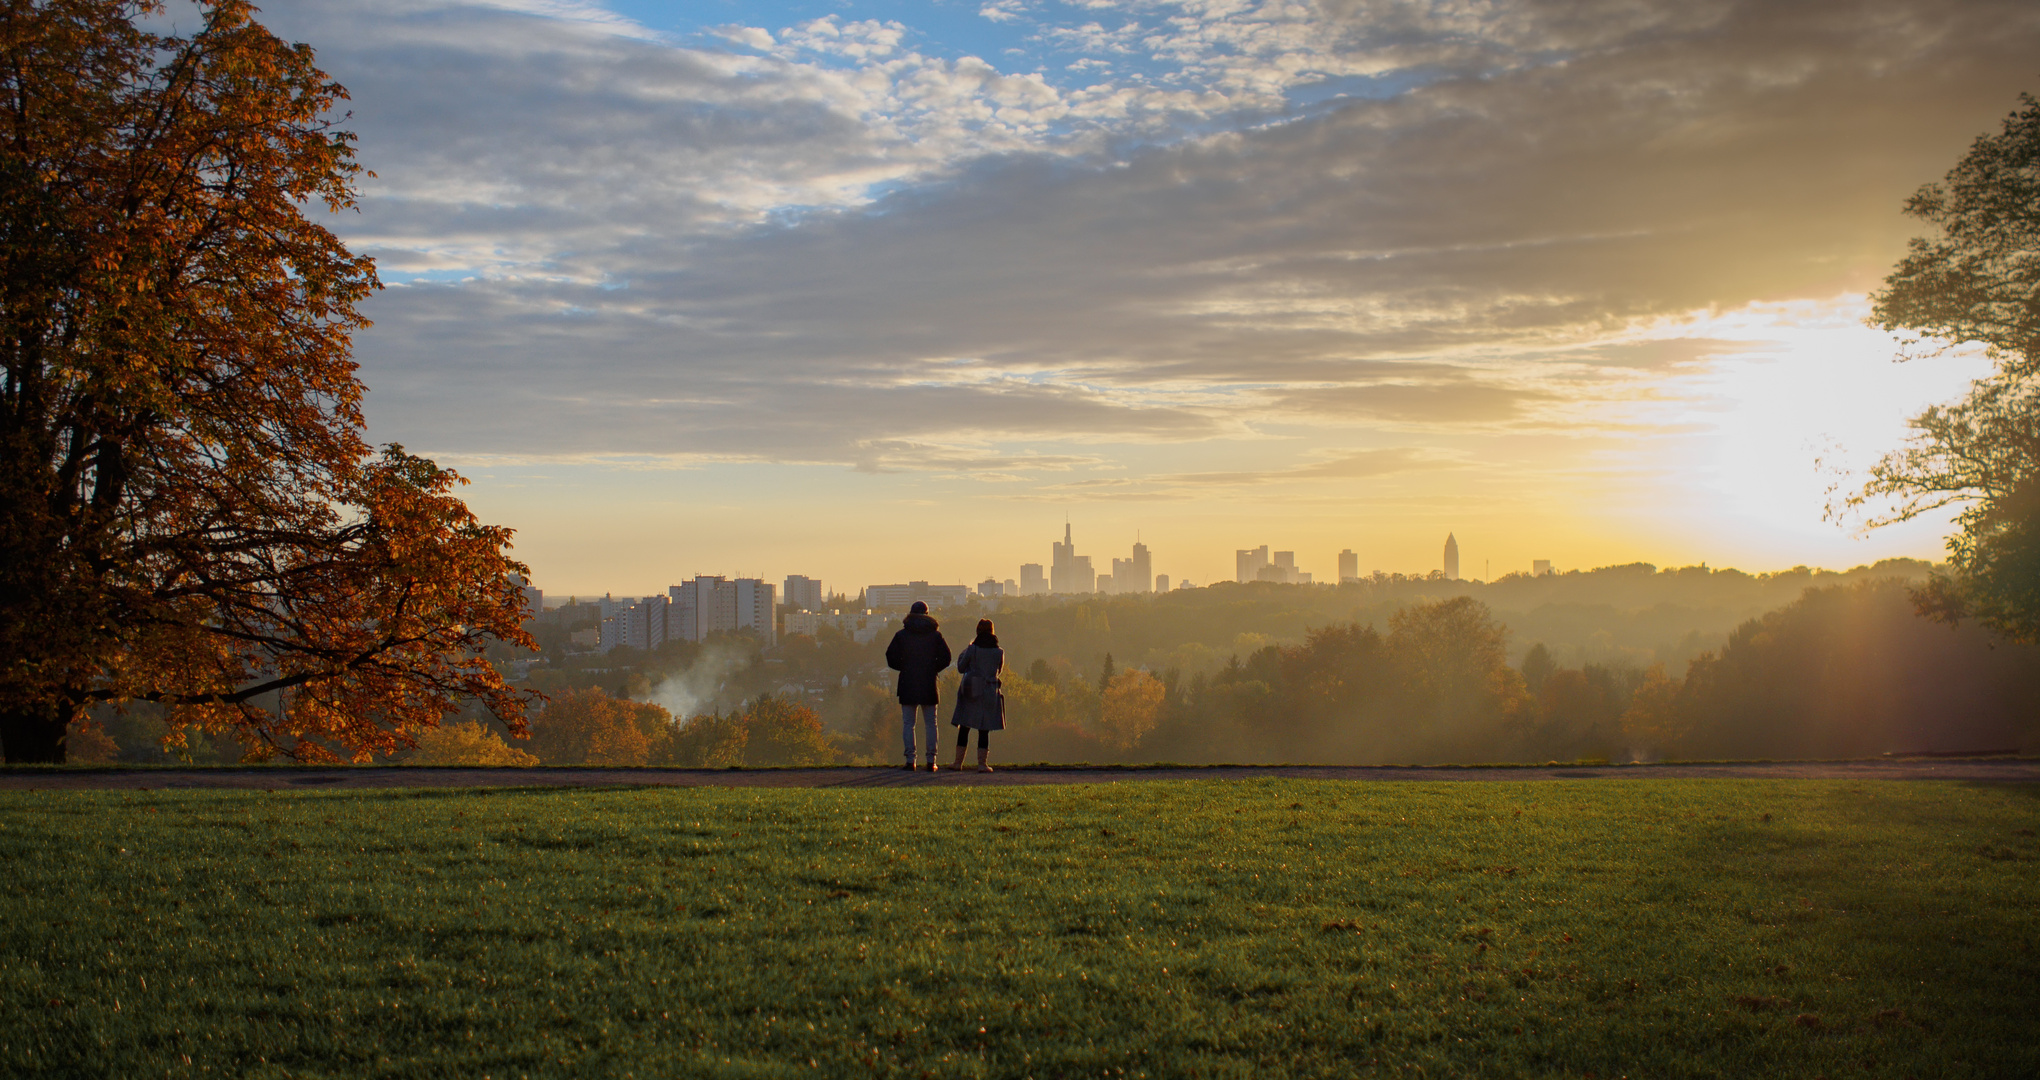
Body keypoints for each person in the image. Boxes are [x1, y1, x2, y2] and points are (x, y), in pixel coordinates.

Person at [884, 601, 952, 771]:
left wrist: (904, 666)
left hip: (908, 681)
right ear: (928, 615)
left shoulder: (901, 635)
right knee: (931, 723)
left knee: (908, 723)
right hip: (928, 681)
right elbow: (947, 657)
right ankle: (931, 761)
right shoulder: (935, 636)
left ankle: (910, 760)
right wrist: (933, 668)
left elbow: (890, 656)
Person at [949, 618, 1005, 773]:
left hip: (972, 686)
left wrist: (966, 651)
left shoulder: (972, 649)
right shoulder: (999, 652)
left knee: (965, 725)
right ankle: (982, 764)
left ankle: (958, 762)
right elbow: (998, 671)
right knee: (984, 728)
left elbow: (960, 667)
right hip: (989, 690)